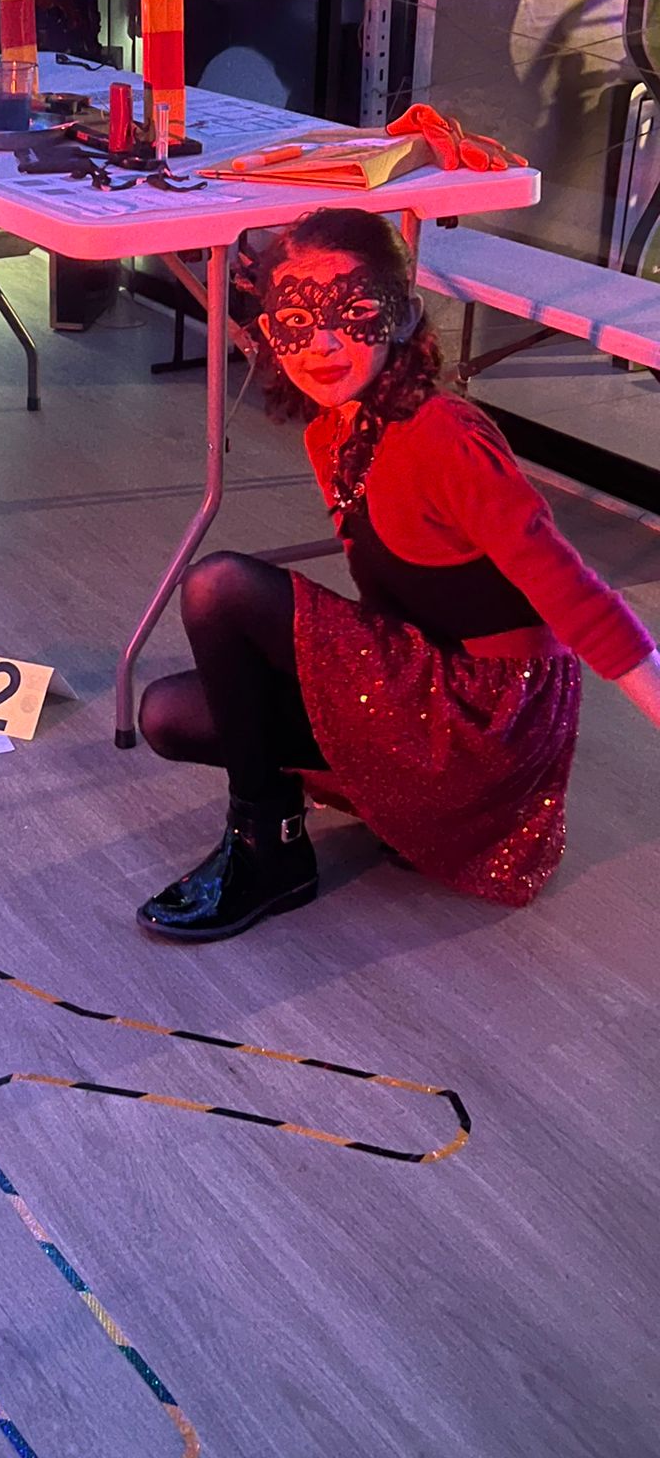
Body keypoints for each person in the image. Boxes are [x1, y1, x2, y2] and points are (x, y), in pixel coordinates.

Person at [136, 207, 660, 940]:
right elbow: (387, 603)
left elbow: (572, 593)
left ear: (403, 317)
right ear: (269, 330)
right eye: (297, 319)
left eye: (353, 314)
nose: (323, 344)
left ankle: (269, 853)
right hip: (426, 681)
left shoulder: (445, 435)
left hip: (485, 724)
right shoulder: (334, 429)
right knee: (169, 715)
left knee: (217, 587)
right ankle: (285, 829)